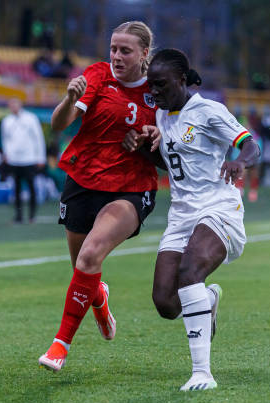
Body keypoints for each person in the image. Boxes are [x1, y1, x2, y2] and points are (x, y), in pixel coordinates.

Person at [122, 48, 260, 391]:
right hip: (181, 214)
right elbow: (172, 164)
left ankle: (202, 373)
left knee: (189, 274)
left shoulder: (208, 110)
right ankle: (208, 300)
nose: (154, 91)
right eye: (151, 85)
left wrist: (240, 161)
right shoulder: (160, 116)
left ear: (182, 80)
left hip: (219, 206)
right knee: (165, 303)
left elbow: (251, 144)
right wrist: (140, 148)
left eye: (161, 84)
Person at [38, 21, 159, 372]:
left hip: (132, 186)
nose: (117, 57)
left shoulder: (158, 89)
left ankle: (60, 345)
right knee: (83, 266)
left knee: (90, 255)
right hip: (83, 179)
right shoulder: (97, 75)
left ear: (144, 54)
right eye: (113, 49)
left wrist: (154, 135)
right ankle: (99, 298)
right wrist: (70, 99)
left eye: (126, 51)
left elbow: (171, 141)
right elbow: (59, 125)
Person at [1, 98, 46, 223]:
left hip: (29, 158)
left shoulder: (31, 118)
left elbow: (38, 138)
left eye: (15, 104)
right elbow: (5, 140)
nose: (13, 106)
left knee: (31, 187)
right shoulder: (7, 121)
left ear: (20, 105)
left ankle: (32, 215)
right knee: (16, 189)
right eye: (11, 104)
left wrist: (40, 157)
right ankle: (18, 216)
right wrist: (6, 154)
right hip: (14, 160)